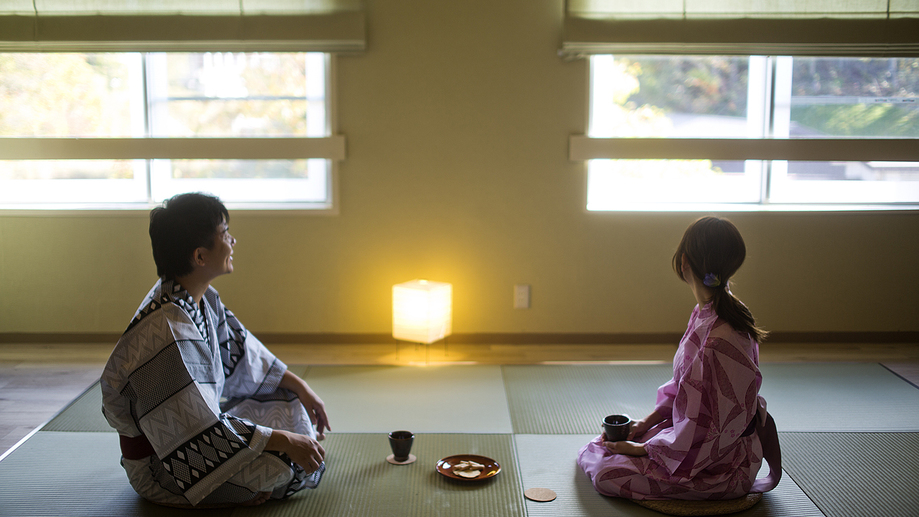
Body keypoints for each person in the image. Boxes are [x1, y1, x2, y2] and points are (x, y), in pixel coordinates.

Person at [101, 192, 330, 508]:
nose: (233, 241)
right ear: (199, 256)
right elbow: (196, 431)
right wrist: (287, 441)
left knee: (288, 398)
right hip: (165, 465)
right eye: (224, 234)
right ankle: (237, 492)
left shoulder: (200, 298)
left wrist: (303, 388)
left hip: (199, 434)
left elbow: (244, 357)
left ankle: (251, 481)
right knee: (282, 466)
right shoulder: (167, 330)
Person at [577, 216, 781, 501]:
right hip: (696, 441)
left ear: (684, 262)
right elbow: (685, 387)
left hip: (720, 462)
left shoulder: (718, 336)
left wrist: (643, 450)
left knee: (605, 472)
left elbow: (707, 428)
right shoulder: (715, 310)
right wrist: (646, 424)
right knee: (600, 448)